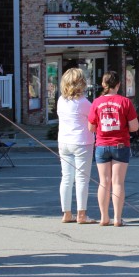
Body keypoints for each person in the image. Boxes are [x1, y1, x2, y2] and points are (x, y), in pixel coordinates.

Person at [88, 71, 139, 227]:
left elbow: (91, 127)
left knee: (104, 182)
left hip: (102, 145)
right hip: (120, 145)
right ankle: (117, 218)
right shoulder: (125, 102)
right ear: (118, 85)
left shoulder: (96, 102)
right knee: (118, 182)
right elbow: (134, 127)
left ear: (103, 84)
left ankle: (104, 217)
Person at [57, 67, 95, 224]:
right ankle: (81, 214)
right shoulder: (84, 103)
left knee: (66, 178)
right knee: (81, 179)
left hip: (64, 142)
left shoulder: (61, 100)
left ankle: (66, 213)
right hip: (81, 142)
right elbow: (93, 121)